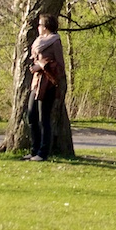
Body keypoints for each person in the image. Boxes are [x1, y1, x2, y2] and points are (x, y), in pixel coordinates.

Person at [25, 13, 66, 161]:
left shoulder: (55, 42)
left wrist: (42, 65)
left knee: (44, 118)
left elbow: (60, 66)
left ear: (46, 27)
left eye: (40, 25)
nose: (38, 27)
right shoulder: (39, 41)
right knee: (32, 116)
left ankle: (43, 153)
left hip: (47, 84)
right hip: (36, 83)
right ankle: (34, 150)